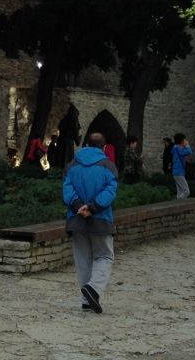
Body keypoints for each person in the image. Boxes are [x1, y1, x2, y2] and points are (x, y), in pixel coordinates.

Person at [62, 132, 119, 313]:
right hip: (101, 218)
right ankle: (93, 289)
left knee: (83, 259)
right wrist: (93, 207)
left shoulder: (72, 165)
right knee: (105, 256)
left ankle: (86, 300)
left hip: (76, 218)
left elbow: (67, 190)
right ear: (104, 147)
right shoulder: (108, 166)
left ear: (86, 145)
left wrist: (80, 206)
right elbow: (110, 191)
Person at [171, 133, 193, 198]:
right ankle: (179, 201)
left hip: (176, 172)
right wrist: (187, 145)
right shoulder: (179, 149)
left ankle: (178, 201)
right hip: (179, 172)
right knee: (186, 191)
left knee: (180, 191)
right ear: (181, 141)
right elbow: (189, 152)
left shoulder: (176, 148)